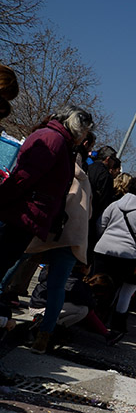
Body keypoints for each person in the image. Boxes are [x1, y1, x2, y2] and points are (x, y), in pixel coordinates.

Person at [0, 105, 93, 285]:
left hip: (25, 214)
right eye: (85, 131)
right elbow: (24, 177)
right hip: (22, 214)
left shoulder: (57, 140)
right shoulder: (53, 140)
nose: (84, 138)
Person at [24, 137, 94, 353]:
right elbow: (89, 213)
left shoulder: (58, 168)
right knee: (57, 287)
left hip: (46, 229)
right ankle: (44, 335)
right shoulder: (86, 181)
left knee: (15, 265)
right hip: (72, 237)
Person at [93, 176, 136, 334]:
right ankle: (115, 326)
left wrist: (104, 238)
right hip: (126, 254)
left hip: (102, 249)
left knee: (97, 284)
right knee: (116, 289)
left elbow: (100, 224)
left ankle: (92, 317)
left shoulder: (115, 204)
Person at [86, 145, 121, 251]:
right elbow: (104, 202)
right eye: (113, 159)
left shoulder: (88, 167)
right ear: (108, 158)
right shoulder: (105, 176)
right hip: (92, 218)